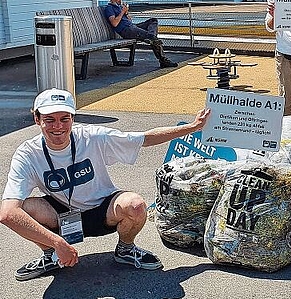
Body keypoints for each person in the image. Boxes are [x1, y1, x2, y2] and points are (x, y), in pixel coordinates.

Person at [0, 88, 211, 281]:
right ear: (36, 119)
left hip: (102, 210)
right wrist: (57, 243)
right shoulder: (27, 154)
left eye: (65, 119)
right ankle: (51, 254)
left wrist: (193, 127)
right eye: (49, 119)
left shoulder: (92, 137)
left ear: (73, 118)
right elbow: (7, 214)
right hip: (62, 215)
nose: (58, 126)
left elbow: (144, 139)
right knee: (23, 209)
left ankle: (126, 250)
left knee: (135, 205)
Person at [104, 0, 178, 68]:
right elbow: (114, 23)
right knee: (153, 38)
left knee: (153, 21)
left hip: (132, 26)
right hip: (126, 30)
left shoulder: (120, 7)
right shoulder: (109, 8)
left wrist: (126, 12)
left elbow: (129, 20)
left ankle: (151, 36)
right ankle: (163, 60)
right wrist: (122, 12)